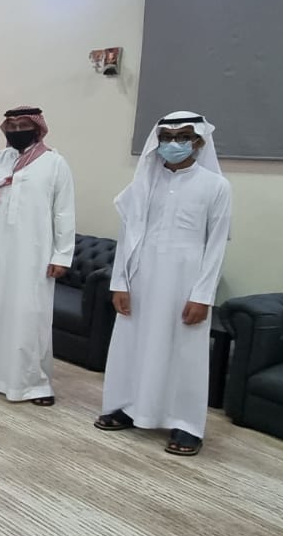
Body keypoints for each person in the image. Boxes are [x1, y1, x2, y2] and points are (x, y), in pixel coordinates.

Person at [97, 112, 232, 456]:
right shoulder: (143, 183)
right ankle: (130, 407)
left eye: (183, 136)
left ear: (198, 141)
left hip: (186, 281)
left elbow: (216, 245)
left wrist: (203, 295)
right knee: (134, 343)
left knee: (184, 351)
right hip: (141, 276)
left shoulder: (215, 186)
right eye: (167, 137)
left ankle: (186, 425)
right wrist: (120, 282)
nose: (174, 143)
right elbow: (127, 237)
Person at [0, 107, 75, 404]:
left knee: (29, 316)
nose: (17, 130)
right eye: (12, 125)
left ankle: (33, 384)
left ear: (37, 128)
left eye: (23, 125)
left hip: (34, 256)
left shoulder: (54, 164)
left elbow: (64, 213)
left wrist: (62, 256)